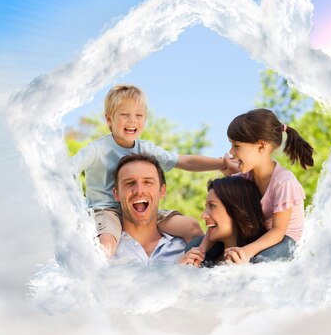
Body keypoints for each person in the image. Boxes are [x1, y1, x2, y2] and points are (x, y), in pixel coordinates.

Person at [71, 84, 226, 257]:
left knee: (190, 226)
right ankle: (94, 279)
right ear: (109, 119)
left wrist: (222, 163)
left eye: (139, 115)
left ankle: (204, 266)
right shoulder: (96, 149)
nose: (132, 121)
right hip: (107, 211)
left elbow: (185, 161)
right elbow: (68, 171)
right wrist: (75, 207)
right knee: (106, 244)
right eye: (124, 115)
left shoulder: (145, 149)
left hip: (140, 209)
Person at [207, 108, 314, 263]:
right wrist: (202, 250)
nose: (231, 151)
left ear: (261, 147)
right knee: (197, 246)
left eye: (236, 145)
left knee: (257, 264)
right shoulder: (245, 176)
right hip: (259, 234)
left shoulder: (284, 182)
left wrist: (246, 251)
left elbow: (278, 232)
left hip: (286, 239)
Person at [111, 153, 187, 265]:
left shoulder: (185, 249)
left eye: (147, 182)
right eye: (130, 183)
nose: (139, 190)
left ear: (162, 191)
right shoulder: (102, 252)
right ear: (116, 194)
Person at [180, 176, 267, 267]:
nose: (203, 216)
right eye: (206, 207)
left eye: (212, 205)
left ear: (237, 210)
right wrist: (180, 270)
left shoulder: (264, 262)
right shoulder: (198, 258)